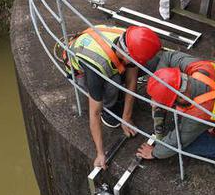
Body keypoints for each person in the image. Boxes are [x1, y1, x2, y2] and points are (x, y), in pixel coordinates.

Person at [63, 25, 161, 170]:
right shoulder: (96, 67)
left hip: (111, 56)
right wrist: (100, 154)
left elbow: (131, 80)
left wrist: (126, 118)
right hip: (83, 72)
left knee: (152, 63)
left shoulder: (129, 42)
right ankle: (108, 109)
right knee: (112, 82)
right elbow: (94, 113)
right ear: (128, 54)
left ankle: (116, 95)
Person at [136, 51, 215, 168]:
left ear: (179, 97)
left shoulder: (199, 113)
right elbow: (168, 56)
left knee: (186, 145)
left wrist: (154, 152)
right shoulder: (198, 67)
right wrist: (160, 81)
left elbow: (177, 142)